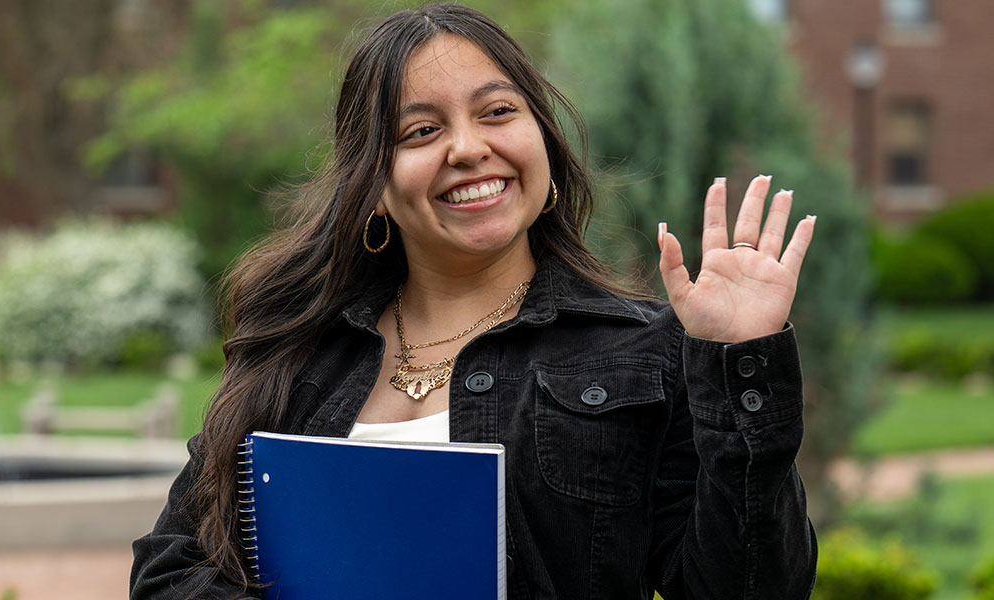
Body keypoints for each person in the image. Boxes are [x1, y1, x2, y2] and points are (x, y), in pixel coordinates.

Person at [130, 4, 819, 598]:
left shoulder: (643, 353)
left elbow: (748, 589)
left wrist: (740, 361)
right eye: (421, 131)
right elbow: (172, 566)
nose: (468, 148)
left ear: (542, 144)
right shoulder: (297, 353)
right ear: (374, 184)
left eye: (497, 112)